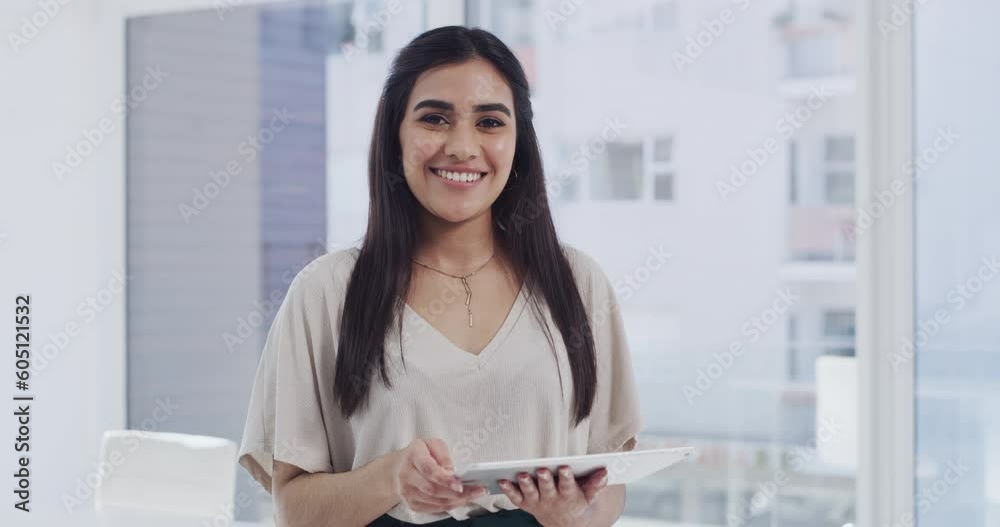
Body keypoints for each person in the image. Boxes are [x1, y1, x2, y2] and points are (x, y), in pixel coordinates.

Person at [237, 25, 643, 527]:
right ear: (395, 134)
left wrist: (572, 517)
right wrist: (389, 477)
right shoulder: (324, 294)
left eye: (490, 122)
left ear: (519, 141)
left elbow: (609, 485)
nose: (462, 146)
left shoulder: (579, 283)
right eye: (435, 119)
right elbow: (293, 510)